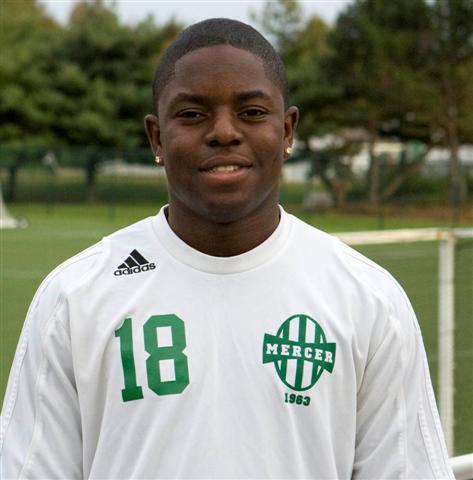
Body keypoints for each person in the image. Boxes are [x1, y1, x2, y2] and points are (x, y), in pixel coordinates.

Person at [0, 18, 454, 479]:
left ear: (288, 130)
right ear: (156, 137)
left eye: (252, 112)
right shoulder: (74, 297)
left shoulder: (370, 301)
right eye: (192, 114)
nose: (223, 132)